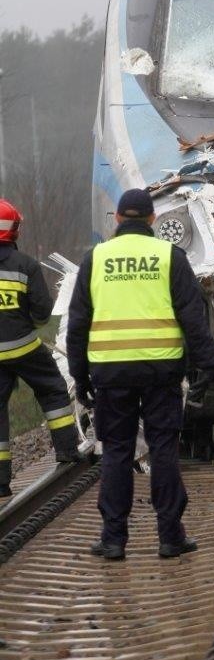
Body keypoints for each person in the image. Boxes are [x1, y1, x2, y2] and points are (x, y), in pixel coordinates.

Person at [66, 188, 214, 560]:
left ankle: (114, 539)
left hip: (110, 373)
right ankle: (170, 536)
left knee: (116, 452)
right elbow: (193, 317)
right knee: (164, 448)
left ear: (117, 219)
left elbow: (78, 323)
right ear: (152, 220)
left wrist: (79, 376)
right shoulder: (170, 256)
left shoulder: (95, 259)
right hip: (161, 370)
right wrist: (206, 365)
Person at [0, 199, 80, 497]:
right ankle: (67, 451)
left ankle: (0, 482)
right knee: (53, 390)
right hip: (24, 348)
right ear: (14, 231)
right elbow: (43, 313)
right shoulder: (26, 266)